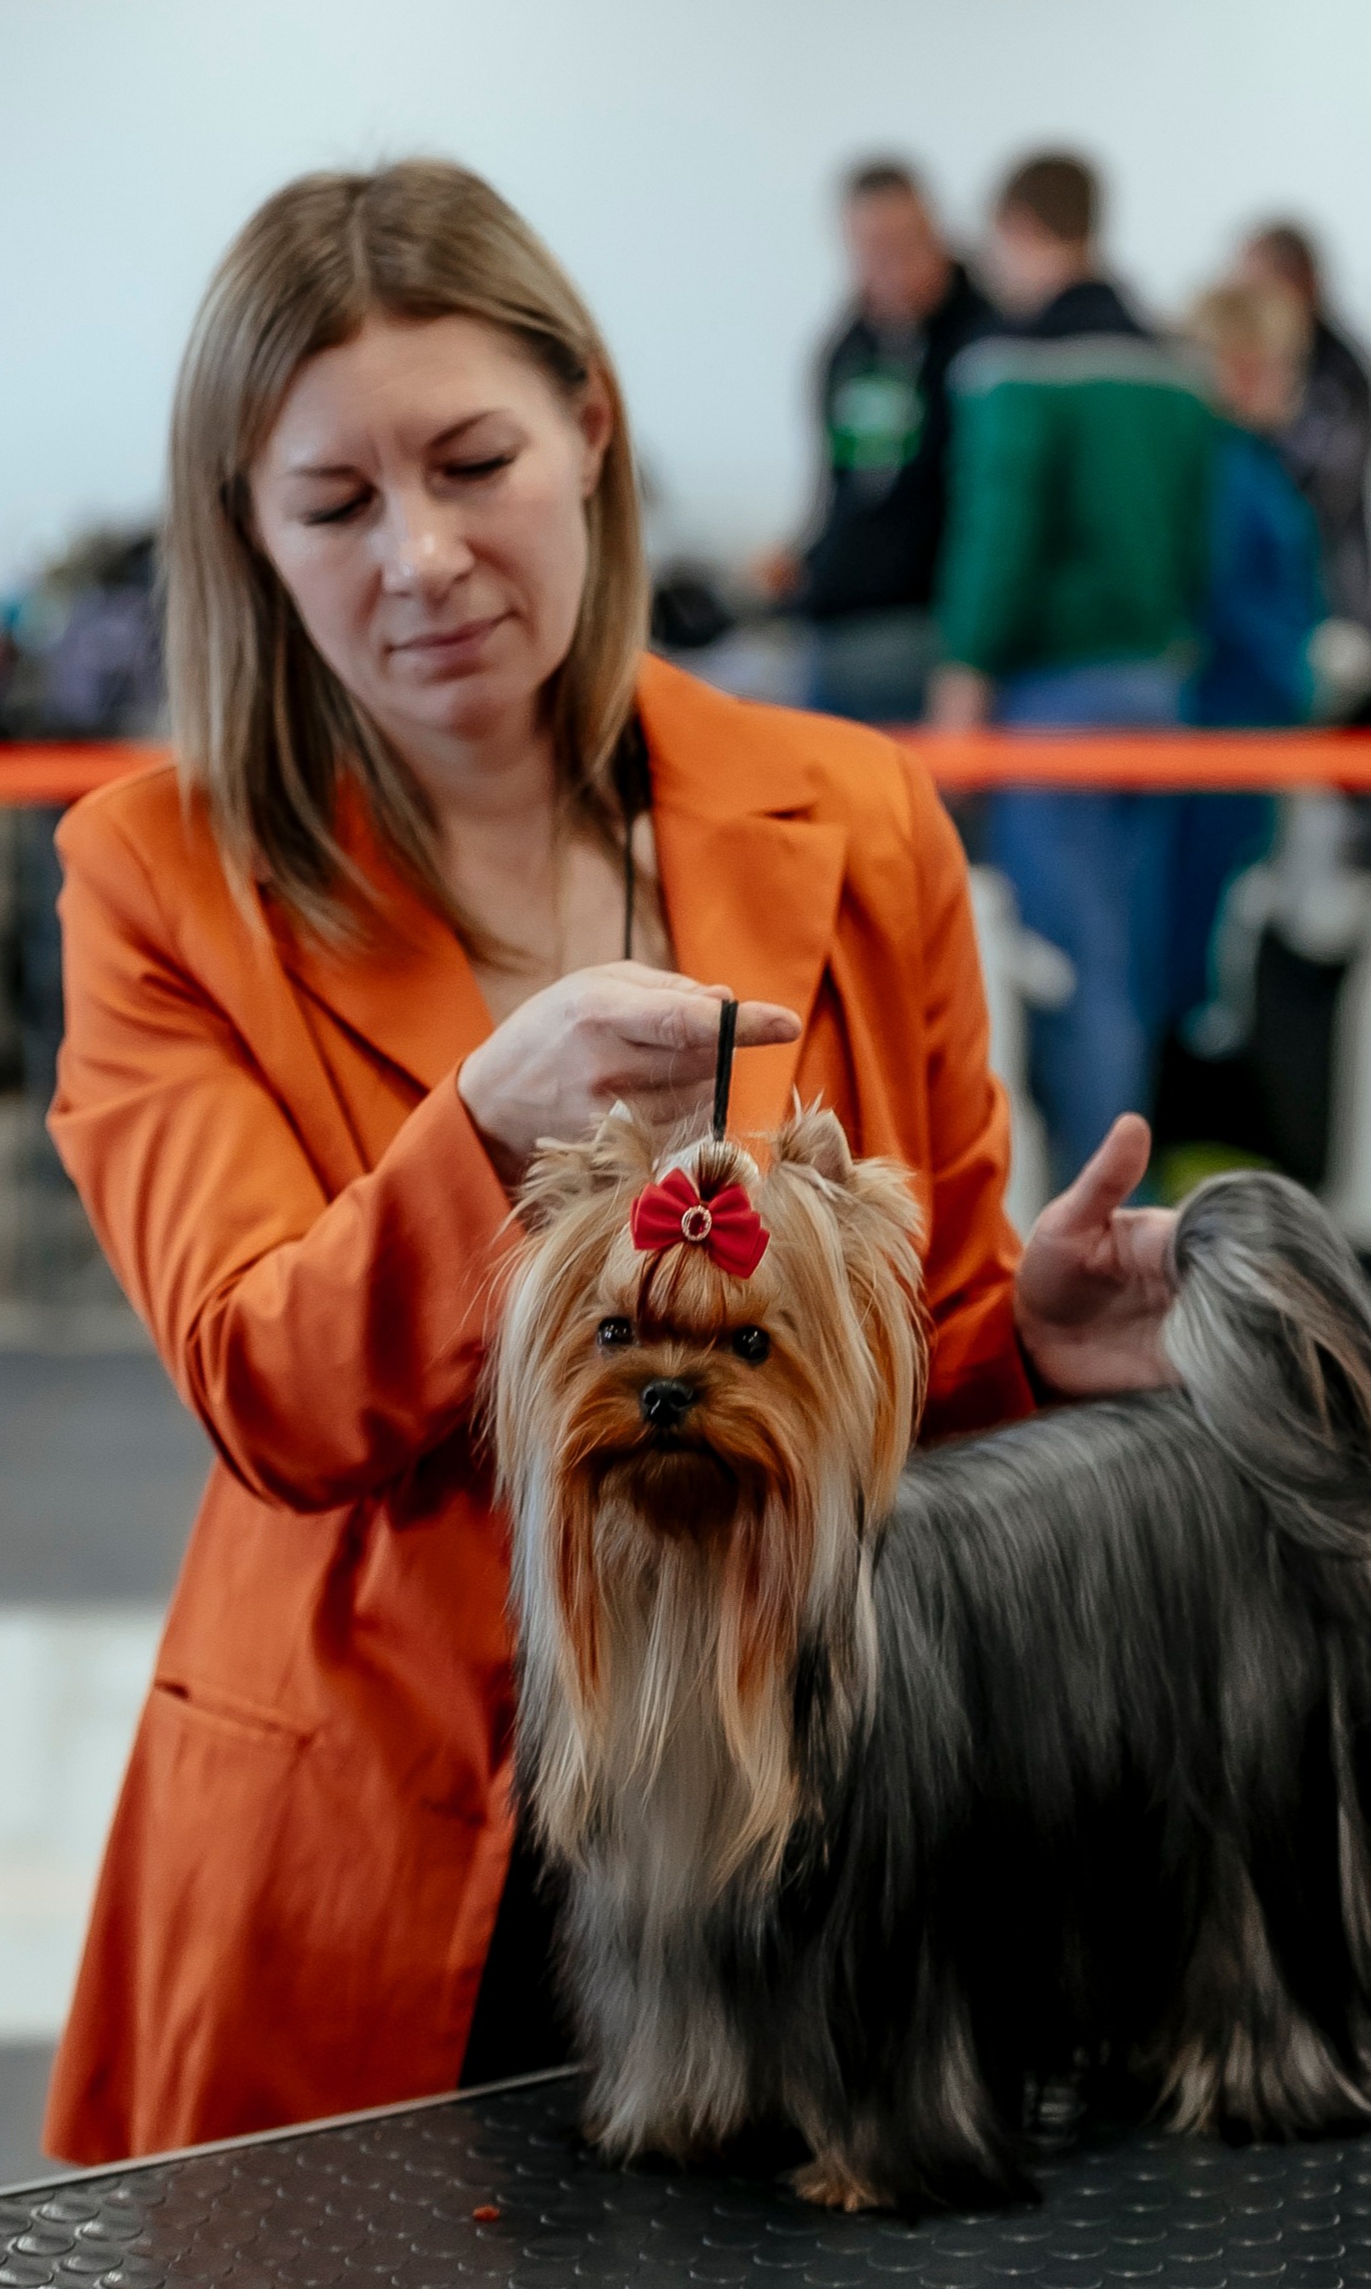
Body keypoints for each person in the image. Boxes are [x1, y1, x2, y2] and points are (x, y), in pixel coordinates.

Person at [43, 161, 1179, 2166]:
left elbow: (917, 1383)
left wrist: (1035, 1338)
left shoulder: (860, 817)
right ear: (248, 534)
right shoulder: (156, 878)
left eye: (473, 460)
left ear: (591, 427)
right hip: (374, 1867)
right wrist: (483, 1129)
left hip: (804, 1861)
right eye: (332, 504)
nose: (422, 555)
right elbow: (262, 1383)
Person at [929, 152, 1215, 1187]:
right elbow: (1199, 535)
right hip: (1158, 693)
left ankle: (1092, 1214)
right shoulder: (1178, 373)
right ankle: (1128, 1191)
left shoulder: (1017, 367)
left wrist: (963, 668)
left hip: (1054, 703)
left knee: (1062, 966)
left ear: (1016, 227)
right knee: (1126, 961)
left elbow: (997, 526)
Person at [727, 160, 991, 722]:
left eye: (903, 244)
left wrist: (970, 657)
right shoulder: (847, 348)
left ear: (935, 233)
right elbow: (841, 490)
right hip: (833, 624)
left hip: (925, 630)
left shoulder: (988, 345)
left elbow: (992, 515)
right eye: (869, 249)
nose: (887, 266)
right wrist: (803, 558)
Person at [1238, 222, 1371, 628]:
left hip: (1331, 598)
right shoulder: (1277, 359)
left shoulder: (1337, 372)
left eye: (1255, 287)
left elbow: (1326, 485)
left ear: (1301, 283)